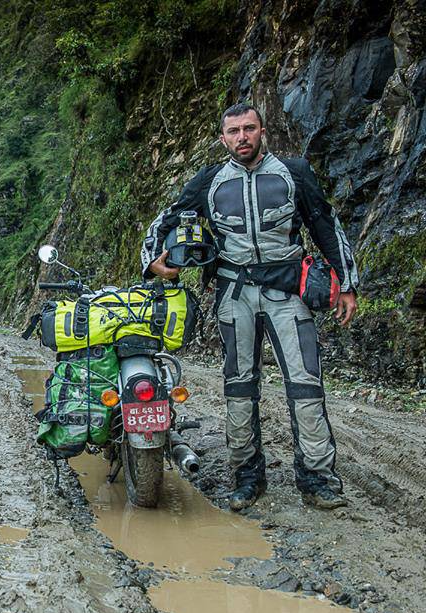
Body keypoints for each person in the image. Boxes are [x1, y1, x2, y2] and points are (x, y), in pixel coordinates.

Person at [140, 103, 359, 510]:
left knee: (306, 384)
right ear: (222, 138)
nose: (242, 137)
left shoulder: (293, 173)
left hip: (288, 291)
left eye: (249, 129)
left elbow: (325, 224)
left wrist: (346, 284)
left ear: (263, 131)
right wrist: (153, 259)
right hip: (233, 292)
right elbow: (167, 220)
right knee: (239, 387)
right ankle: (246, 477)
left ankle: (318, 480)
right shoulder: (209, 180)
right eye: (234, 131)